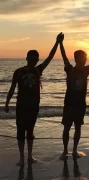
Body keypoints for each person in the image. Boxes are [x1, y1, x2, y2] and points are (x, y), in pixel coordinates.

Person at [4, 33, 62, 166]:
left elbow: (50, 58)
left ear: (37, 60)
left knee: (30, 131)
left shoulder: (38, 70)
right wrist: (7, 103)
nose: (34, 60)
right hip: (21, 106)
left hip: (34, 106)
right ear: (27, 58)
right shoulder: (18, 72)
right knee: (20, 131)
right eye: (32, 58)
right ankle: (21, 158)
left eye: (36, 58)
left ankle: (29, 156)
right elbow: (12, 88)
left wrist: (57, 43)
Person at [58, 32, 89, 160]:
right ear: (78, 58)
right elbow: (63, 56)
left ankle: (74, 150)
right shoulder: (70, 69)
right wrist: (60, 43)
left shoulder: (86, 70)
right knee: (67, 128)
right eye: (84, 58)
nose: (86, 60)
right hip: (69, 103)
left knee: (78, 127)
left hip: (80, 104)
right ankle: (64, 151)